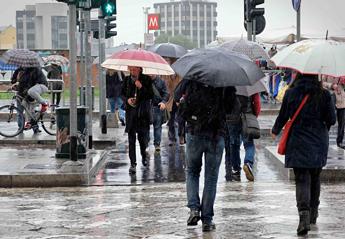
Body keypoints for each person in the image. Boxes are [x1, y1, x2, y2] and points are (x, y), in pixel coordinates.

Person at [271, 74, 336, 236]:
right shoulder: (324, 95)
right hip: (318, 141)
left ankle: (303, 217)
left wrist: (275, 130)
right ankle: (313, 213)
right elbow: (332, 119)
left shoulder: (291, 93)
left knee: (301, 179)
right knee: (315, 177)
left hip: (297, 141)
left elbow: (283, 116)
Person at [175, 80, 236, 232]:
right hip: (216, 135)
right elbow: (232, 108)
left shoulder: (193, 77)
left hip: (194, 132)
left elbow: (176, 97)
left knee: (192, 172)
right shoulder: (224, 80)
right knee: (211, 177)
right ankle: (207, 220)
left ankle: (194, 209)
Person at [121, 66, 153, 174]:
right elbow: (122, 94)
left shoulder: (146, 79)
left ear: (139, 69)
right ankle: (133, 163)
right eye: (130, 69)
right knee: (131, 141)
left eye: (134, 69)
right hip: (131, 115)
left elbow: (150, 95)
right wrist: (128, 100)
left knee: (142, 140)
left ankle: (144, 156)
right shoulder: (126, 80)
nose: (132, 71)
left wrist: (141, 87)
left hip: (142, 115)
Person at [224, 93, 261, 182]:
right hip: (247, 116)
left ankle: (236, 171)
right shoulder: (250, 84)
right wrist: (254, 115)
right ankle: (248, 163)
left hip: (231, 118)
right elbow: (257, 102)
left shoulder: (228, 83)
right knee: (249, 143)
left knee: (234, 145)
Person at [161, 57, 185, 146]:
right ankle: (172, 138)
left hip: (179, 99)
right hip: (170, 100)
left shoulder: (181, 75)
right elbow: (164, 87)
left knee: (181, 119)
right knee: (170, 120)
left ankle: (181, 135)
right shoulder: (165, 75)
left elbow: (183, 86)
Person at [322, 76, 345, 149]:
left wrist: (343, 82)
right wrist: (331, 85)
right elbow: (322, 83)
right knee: (328, 121)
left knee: (342, 122)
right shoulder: (327, 71)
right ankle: (324, 139)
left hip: (341, 99)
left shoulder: (342, 71)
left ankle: (340, 141)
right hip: (330, 97)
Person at [150, 74, 169, 152]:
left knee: (157, 127)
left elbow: (166, 94)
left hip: (157, 107)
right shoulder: (144, 81)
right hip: (147, 107)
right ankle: (145, 142)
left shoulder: (161, 82)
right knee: (144, 126)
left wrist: (163, 102)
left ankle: (157, 144)